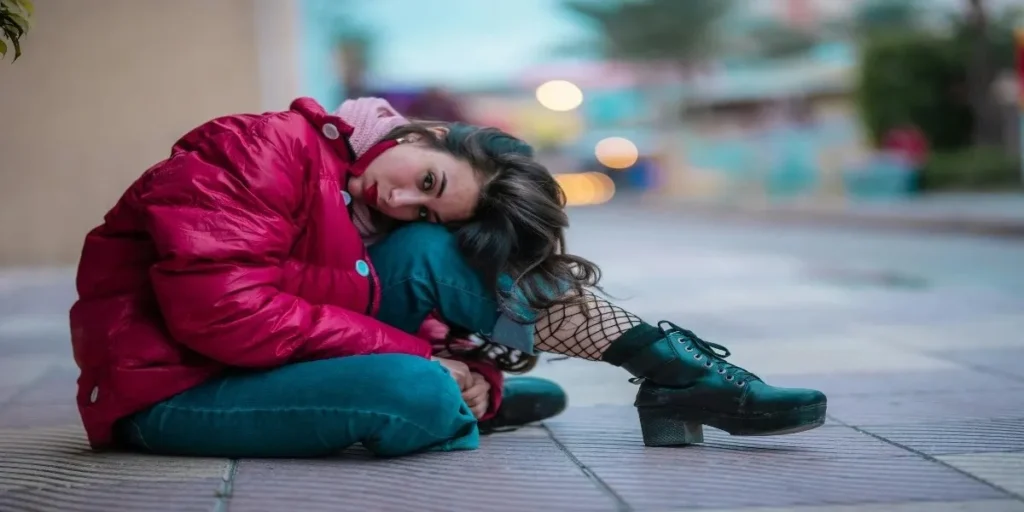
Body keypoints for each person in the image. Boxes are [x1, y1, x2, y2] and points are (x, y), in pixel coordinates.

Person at [70, 96, 826, 458]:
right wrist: (431, 364)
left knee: (444, 260)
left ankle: (672, 375)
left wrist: (463, 361)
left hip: (277, 352)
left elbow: (417, 304)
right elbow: (223, 316)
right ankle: (459, 402)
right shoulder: (265, 147)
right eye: (426, 181)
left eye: (427, 206)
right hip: (172, 385)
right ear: (427, 135)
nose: (400, 200)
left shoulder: (380, 208)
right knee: (417, 392)